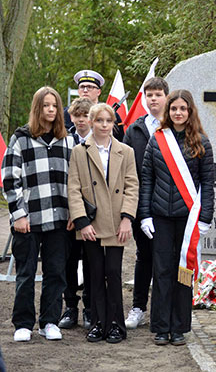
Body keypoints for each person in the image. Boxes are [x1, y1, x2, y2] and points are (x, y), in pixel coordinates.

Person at [139, 90, 214, 346]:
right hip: (160, 216)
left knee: (184, 271)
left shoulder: (202, 142)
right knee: (161, 271)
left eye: (183, 108)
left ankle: (179, 326)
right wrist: (145, 214)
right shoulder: (157, 140)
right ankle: (161, 326)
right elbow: (147, 179)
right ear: (168, 111)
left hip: (188, 217)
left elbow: (208, 183)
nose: (178, 113)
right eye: (174, 109)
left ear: (190, 111)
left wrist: (205, 217)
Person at [2, 86, 75, 342]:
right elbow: (10, 179)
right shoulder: (21, 139)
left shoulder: (68, 140)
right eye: (46, 105)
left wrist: (73, 213)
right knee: (26, 272)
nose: (51, 110)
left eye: (54, 105)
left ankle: (49, 322)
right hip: (29, 220)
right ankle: (22, 323)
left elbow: (75, 182)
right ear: (37, 108)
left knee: (56, 272)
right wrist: (18, 214)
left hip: (59, 220)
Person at [68, 103, 138, 344]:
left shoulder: (126, 151)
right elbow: (74, 188)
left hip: (117, 222)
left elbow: (132, 187)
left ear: (113, 124)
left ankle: (116, 324)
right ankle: (98, 323)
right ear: (91, 121)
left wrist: (127, 219)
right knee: (95, 274)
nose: (104, 125)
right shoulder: (79, 151)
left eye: (109, 121)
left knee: (113, 273)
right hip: (91, 224)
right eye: (100, 121)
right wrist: (82, 222)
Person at [123, 77, 169, 329]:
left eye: (158, 94)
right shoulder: (135, 130)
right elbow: (128, 170)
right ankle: (139, 307)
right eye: (149, 95)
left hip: (171, 206)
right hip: (143, 205)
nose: (153, 99)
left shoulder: (176, 126)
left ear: (166, 97)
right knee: (145, 257)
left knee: (168, 258)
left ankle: (164, 308)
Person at [59, 97, 94, 330]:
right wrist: (72, 211)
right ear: (71, 118)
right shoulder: (64, 141)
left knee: (92, 263)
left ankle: (90, 309)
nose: (81, 121)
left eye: (84, 117)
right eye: (77, 117)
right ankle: (70, 307)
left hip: (94, 213)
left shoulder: (100, 141)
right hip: (69, 214)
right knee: (68, 262)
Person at [64, 70, 125, 141]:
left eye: (90, 87)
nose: (85, 90)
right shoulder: (67, 113)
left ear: (98, 92)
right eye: (82, 87)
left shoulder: (109, 113)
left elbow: (119, 140)